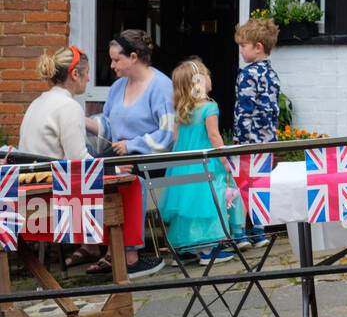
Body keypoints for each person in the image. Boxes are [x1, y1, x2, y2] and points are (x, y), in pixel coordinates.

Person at [84, 30, 173, 278]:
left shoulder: (161, 87)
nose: (111, 65)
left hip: (150, 160)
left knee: (123, 177)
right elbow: (109, 126)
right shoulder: (117, 87)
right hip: (120, 156)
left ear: (133, 57)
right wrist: (81, 121)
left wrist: (133, 145)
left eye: (116, 60)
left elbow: (168, 134)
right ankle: (103, 247)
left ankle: (129, 256)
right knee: (90, 170)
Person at [158, 58, 242, 265]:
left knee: (185, 207)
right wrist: (224, 161)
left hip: (182, 166)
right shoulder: (209, 108)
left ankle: (184, 250)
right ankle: (209, 249)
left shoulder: (181, 111)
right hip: (206, 164)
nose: (210, 77)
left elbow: (176, 139)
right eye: (207, 74)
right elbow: (214, 137)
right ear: (199, 81)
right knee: (209, 204)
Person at [19, 47, 94, 269]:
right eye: (87, 72)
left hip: (29, 190)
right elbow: (77, 159)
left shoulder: (38, 102)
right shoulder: (68, 106)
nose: (89, 78)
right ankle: (124, 260)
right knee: (127, 186)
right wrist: (116, 170)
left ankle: (93, 249)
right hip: (51, 196)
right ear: (75, 74)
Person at [233, 17, 281, 248]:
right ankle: (260, 231)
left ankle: (240, 231)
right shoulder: (272, 74)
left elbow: (244, 110)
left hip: (248, 142)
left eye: (243, 46)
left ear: (258, 47)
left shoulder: (247, 75)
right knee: (261, 184)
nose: (241, 50)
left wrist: (238, 139)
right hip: (267, 141)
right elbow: (274, 110)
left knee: (242, 184)